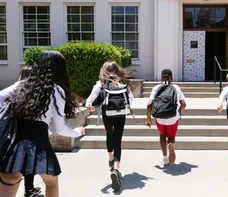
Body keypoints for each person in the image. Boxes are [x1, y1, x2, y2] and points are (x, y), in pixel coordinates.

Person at [0, 50, 85, 197]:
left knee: (10, 182)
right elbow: (60, 128)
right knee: (51, 183)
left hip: (13, 146)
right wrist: (77, 132)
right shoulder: (56, 90)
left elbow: (1, 97)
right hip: (39, 144)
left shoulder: (21, 85)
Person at [85, 61, 133, 192]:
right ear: (118, 70)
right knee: (118, 140)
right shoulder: (123, 83)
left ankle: (110, 157)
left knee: (109, 134)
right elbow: (131, 99)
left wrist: (89, 105)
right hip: (121, 114)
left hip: (107, 114)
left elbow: (90, 99)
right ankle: (116, 169)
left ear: (104, 71)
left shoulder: (100, 84)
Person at [146, 69, 186, 165]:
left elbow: (149, 104)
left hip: (159, 117)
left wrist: (148, 119)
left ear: (161, 77)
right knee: (171, 136)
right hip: (172, 117)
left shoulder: (156, 88)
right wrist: (178, 112)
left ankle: (164, 158)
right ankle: (170, 144)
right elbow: (184, 104)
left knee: (162, 135)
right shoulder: (176, 87)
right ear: (172, 78)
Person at [17, 66, 42, 197]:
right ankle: (29, 189)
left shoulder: (14, 91)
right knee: (29, 162)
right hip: (30, 134)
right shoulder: (33, 94)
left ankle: (29, 189)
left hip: (14, 132)